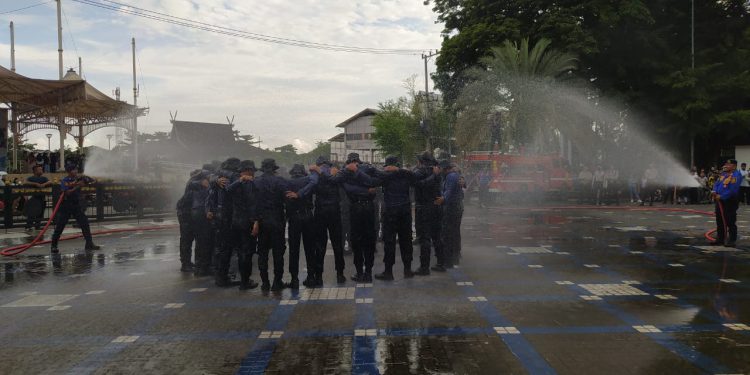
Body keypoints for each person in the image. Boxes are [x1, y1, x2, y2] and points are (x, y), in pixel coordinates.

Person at [310, 156, 347, 287]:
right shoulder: (335, 172)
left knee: (320, 245)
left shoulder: (316, 173)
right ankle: (340, 274)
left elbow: (311, 189)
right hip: (334, 212)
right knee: (337, 244)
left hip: (320, 212)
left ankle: (318, 276)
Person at [224, 160, 261, 290]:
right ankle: (245, 281)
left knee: (240, 251)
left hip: (236, 221)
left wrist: (239, 180)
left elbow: (227, 190)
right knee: (247, 252)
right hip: (247, 222)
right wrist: (256, 221)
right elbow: (253, 204)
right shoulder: (249, 183)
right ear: (249, 170)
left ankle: (243, 280)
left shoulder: (235, 182)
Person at [342, 153, 378, 283]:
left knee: (357, 241)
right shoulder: (368, 170)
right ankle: (368, 273)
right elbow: (373, 184)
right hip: (368, 207)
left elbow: (348, 188)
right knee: (368, 241)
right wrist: (366, 191)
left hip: (356, 208)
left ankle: (360, 273)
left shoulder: (346, 172)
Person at [50, 163, 101, 253]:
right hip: (66, 206)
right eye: (74, 170)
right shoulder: (65, 181)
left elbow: (92, 181)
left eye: (76, 170)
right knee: (60, 226)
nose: (76, 171)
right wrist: (78, 186)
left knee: (84, 223)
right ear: (69, 171)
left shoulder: (78, 179)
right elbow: (67, 192)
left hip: (76, 205)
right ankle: (54, 246)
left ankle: (89, 244)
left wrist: (87, 178)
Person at [206, 158, 241, 286]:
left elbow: (210, 196)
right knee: (227, 249)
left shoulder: (217, 178)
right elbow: (231, 191)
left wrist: (209, 210)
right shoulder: (231, 177)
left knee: (221, 248)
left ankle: (220, 275)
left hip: (220, 216)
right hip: (228, 217)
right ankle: (223, 277)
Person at [284, 163, 319, 289]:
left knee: (294, 250)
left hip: (294, 218)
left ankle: (294, 279)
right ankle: (311, 277)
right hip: (308, 216)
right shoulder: (308, 180)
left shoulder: (287, 182)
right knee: (310, 248)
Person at [413, 152, 443, 275]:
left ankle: (424, 267)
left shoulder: (420, 172)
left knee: (425, 238)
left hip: (424, 207)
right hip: (435, 206)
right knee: (436, 236)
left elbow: (419, 185)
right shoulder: (436, 171)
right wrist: (435, 175)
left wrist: (433, 177)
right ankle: (441, 263)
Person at [436, 160, 464, 268]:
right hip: (456, 206)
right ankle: (455, 257)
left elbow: (449, 191)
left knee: (448, 234)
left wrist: (443, 198)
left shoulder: (451, 176)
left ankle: (448, 261)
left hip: (453, 207)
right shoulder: (453, 174)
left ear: (445, 168)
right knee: (454, 232)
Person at [176, 168, 204, 272]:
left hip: (187, 213)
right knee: (186, 239)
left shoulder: (192, 182)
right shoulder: (193, 183)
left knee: (187, 239)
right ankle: (185, 263)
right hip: (185, 214)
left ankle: (186, 262)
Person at [710, 159, 743, 247]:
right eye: (726, 164)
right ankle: (720, 239)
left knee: (730, 220)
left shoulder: (736, 175)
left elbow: (733, 190)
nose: (726, 165)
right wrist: (714, 191)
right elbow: (717, 184)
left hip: (730, 201)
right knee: (719, 220)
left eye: (728, 164)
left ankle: (732, 240)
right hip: (719, 201)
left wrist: (722, 196)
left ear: (734, 166)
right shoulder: (723, 174)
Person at [24, 165, 52, 232]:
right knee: (32, 213)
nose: (41, 171)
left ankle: (37, 225)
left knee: (41, 213)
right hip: (34, 198)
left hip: (42, 198)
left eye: (41, 169)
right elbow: (25, 182)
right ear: (35, 171)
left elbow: (50, 182)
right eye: (40, 169)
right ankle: (29, 226)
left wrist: (44, 184)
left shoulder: (44, 178)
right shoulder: (31, 178)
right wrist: (35, 184)